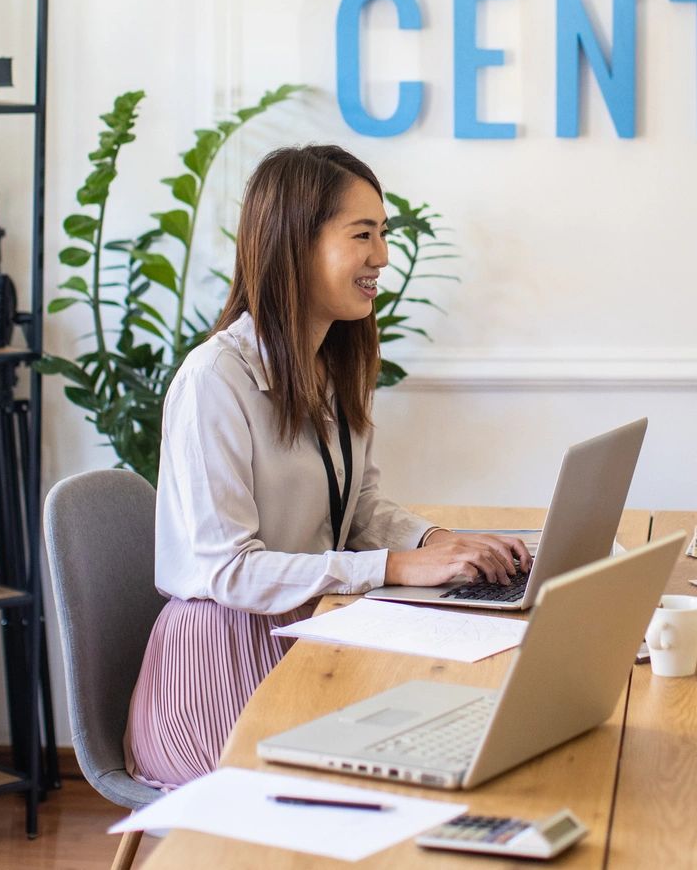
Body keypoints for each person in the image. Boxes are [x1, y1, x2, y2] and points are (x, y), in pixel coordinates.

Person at [124, 144, 527, 787]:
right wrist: (394, 567)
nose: (383, 257)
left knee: (465, 737)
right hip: (221, 657)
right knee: (392, 778)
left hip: (311, 628)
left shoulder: (332, 367)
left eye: (383, 234)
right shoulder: (215, 380)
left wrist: (437, 543)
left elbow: (358, 509)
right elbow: (225, 570)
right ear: (294, 245)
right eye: (362, 235)